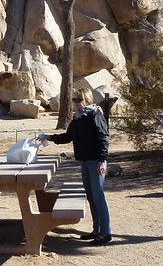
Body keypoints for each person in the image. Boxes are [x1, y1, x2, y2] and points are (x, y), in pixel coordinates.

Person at [39, 88, 112, 245]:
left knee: (98, 196)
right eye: (74, 100)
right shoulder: (78, 118)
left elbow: (103, 138)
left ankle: (106, 233)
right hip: (84, 161)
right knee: (91, 196)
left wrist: (101, 160)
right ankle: (97, 229)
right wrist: (49, 137)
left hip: (95, 161)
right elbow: (68, 136)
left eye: (78, 100)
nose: (75, 103)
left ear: (87, 101)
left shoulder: (95, 115)